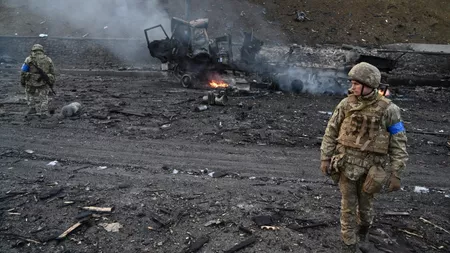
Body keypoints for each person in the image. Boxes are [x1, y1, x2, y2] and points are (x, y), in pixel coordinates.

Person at [320, 62, 408, 252]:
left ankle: (363, 233)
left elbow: (398, 142)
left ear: (369, 84)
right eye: (352, 83)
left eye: (356, 84)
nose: (352, 88)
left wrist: (396, 173)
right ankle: (349, 244)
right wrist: (325, 157)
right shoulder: (346, 104)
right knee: (347, 207)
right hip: (346, 164)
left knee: (366, 211)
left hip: (372, 169)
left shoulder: (389, 110)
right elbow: (331, 130)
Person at [20, 44, 56, 118]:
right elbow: (52, 72)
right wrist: (51, 81)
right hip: (43, 81)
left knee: (30, 95)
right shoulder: (48, 59)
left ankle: (32, 108)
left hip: (30, 81)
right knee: (44, 97)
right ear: (41, 50)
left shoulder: (28, 59)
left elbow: (23, 72)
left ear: (33, 50)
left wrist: (23, 81)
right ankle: (44, 112)